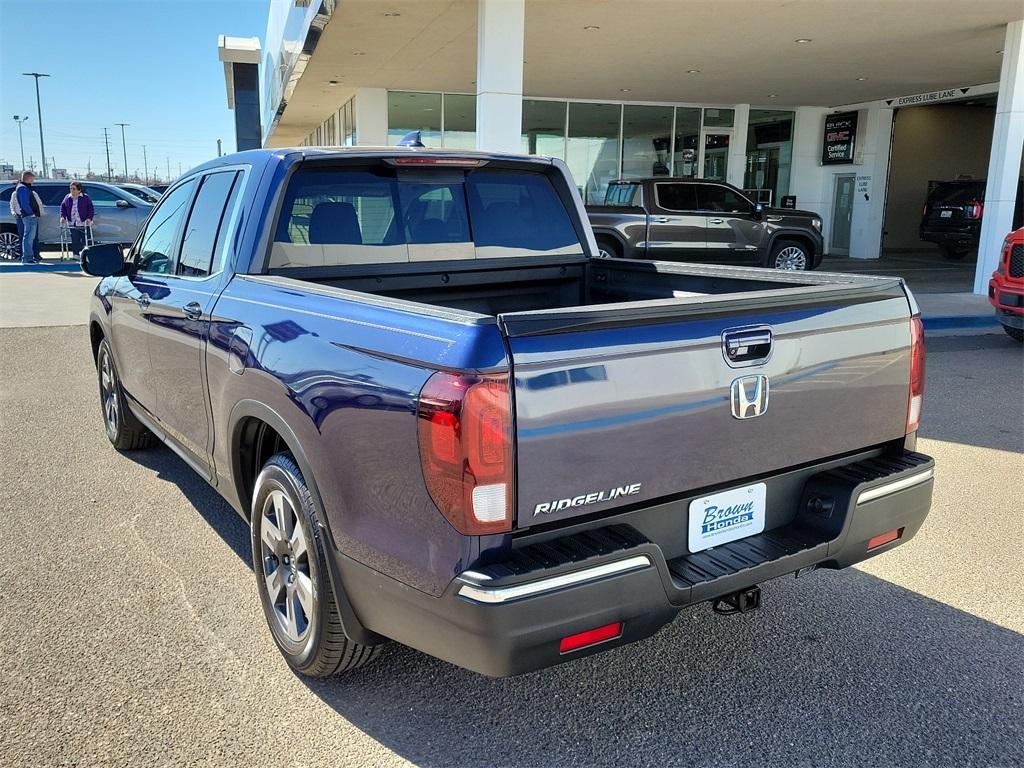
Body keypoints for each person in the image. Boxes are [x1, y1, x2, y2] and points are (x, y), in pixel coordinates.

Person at [60, 181, 95, 260]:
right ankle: (76, 254)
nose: (72, 190)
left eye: (74, 189)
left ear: (79, 190)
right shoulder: (67, 197)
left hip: (84, 222)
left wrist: (89, 218)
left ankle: (87, 255)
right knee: (75, 239)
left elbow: (91, 209)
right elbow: (63, 208)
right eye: (71, 189)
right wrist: (63, 216)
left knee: (85, 239)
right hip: (73, 222)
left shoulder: (85, 197)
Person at [12, 171, 41, 264]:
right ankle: (27, 258)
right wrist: (31, 213)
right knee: (28, 237)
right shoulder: (22, 188)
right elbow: (24, 203)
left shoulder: (24, 187)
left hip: (29, 216)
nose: (33, 181)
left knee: (30, 237)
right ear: (28, 178)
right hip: (29, 216)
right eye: (32, 179)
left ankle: (29, 257)